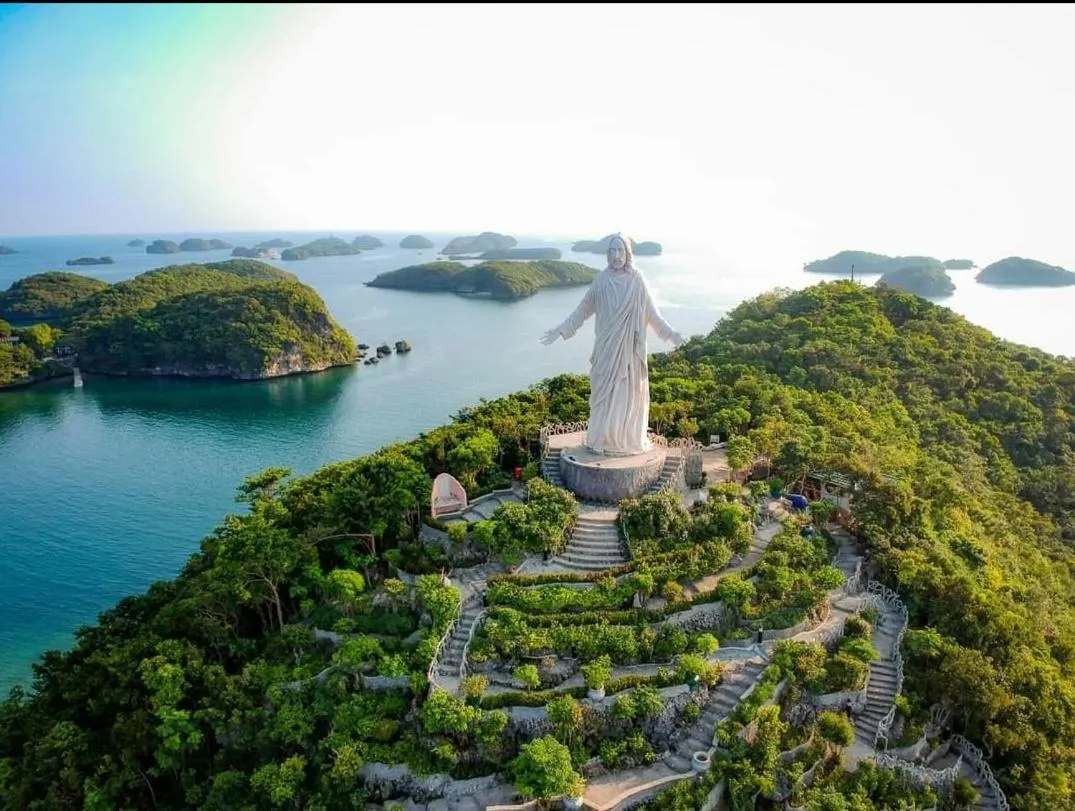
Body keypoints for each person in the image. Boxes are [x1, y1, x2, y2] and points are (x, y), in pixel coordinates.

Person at [541, 234, 684, 456]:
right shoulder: (602, 281)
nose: (616, 255)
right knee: (604, 395)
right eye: (612, 251)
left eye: (620, 250)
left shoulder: (637, 280)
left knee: (626, 395)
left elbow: (652, 313)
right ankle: (604, 439)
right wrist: (560, 330)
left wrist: (671, 333)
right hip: (606, 350)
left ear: (627, 253)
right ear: (607, 254)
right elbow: (582, 310)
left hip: (628, 353)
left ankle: (624, 441)